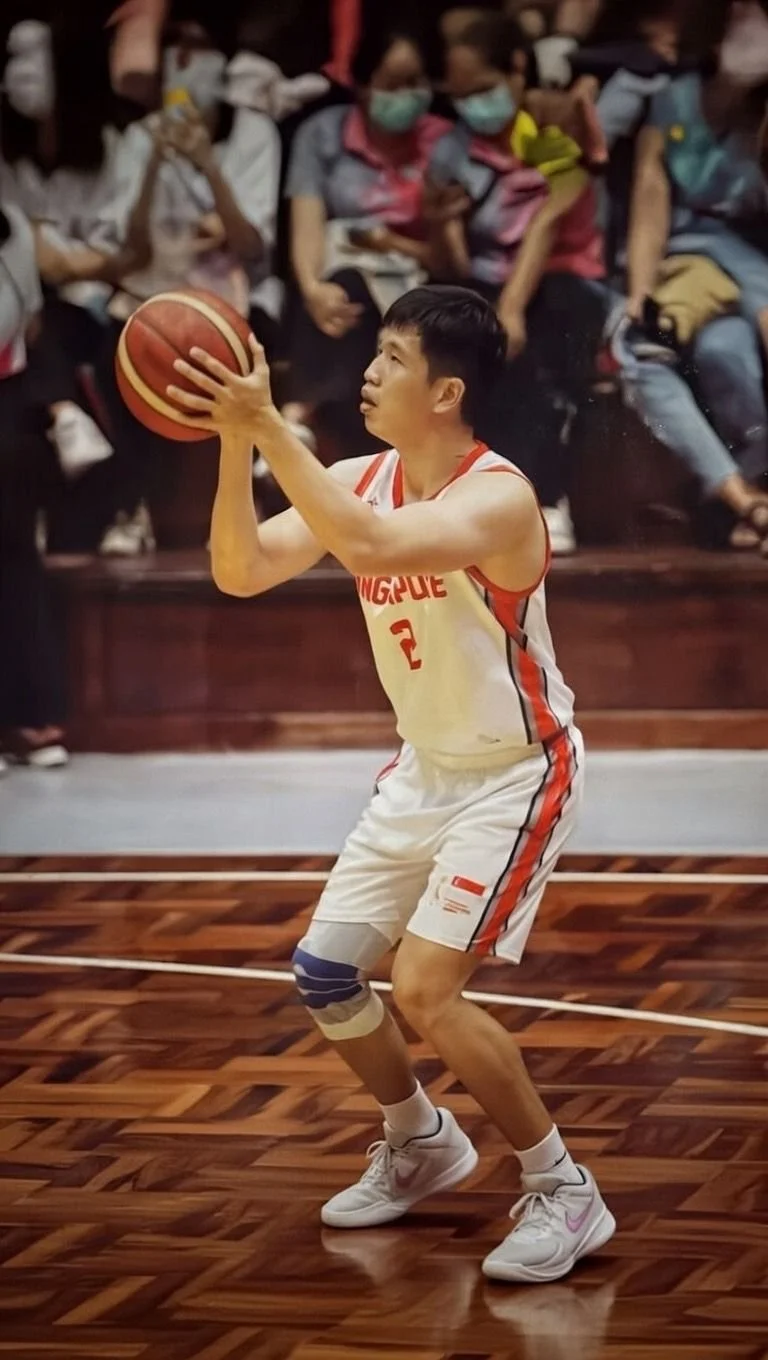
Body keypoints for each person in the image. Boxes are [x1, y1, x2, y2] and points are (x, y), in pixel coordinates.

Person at [166, 284, 616, 1284]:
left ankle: (564, 1188)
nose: (369, 373)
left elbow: (370, 546)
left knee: (423, 988)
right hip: (424, 769)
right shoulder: (356, 479)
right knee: (326, 973)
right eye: (373, 353)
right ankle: (419, 1139)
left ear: (447, 392)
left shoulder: (498, 498)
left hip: (516, 773)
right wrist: (235, 445)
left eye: (393, 359)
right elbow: (240, 569)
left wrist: (268, 427)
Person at [430, 13, 609, 552]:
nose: (474, 106)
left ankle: (547, 500)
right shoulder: (452, 150)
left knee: (543, 335)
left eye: (483, 90)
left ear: (515, 68)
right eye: (461, 96)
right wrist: (444, 224)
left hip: (561, 273)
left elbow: (549, 221)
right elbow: (455, 262)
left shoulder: (549, 125)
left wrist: (510, 309)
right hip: (487, 280)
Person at [282, 24, 450, 456]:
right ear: (362, 85)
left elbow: (447, 255)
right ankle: (300, 417)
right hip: (343, 273)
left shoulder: (445, 142)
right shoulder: (321, 134)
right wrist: (312, 289)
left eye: (415, 83)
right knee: (341, 292)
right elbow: (307, 222)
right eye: (392, 84)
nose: (405, 95)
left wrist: (391, 243)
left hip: (418, 275)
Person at [0, 201, 68, 770]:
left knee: (18, 560)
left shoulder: (13, 222)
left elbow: (30, 322)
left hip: (9, 406)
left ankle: (28, 716)